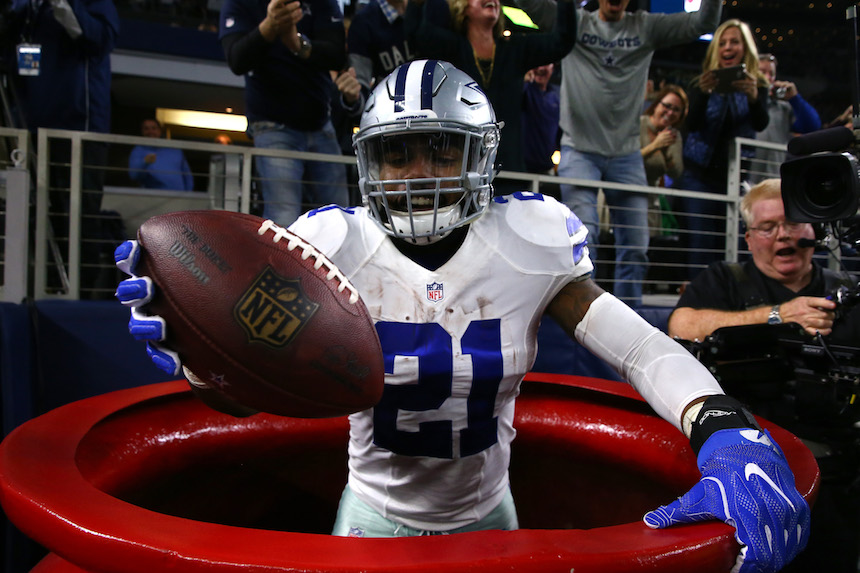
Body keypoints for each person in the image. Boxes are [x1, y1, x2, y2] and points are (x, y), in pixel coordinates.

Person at [115, 60, 809, 573]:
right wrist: (207, 360)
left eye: (443, 147)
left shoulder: (530, 241)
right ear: (368, 162)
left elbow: (637, 349)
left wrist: (722, 425)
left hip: (488, 517)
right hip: (370, 519)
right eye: (397, 151)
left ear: (482, 154)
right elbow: (254, 383)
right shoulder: (330, 244)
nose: (419, 170)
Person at [668, 179, 860, 573]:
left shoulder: (845, 291)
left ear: (813, 231)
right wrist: (778, 315)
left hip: (840, 474)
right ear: (750, 238)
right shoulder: (724, 280)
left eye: (793, 224)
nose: (783, 235)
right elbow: (682, 324)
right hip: (749, 467)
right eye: (768, 227)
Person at [511, 0, 723, 308]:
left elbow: (703, 22)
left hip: (626, 154)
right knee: (586, 239)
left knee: (636, 244)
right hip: (580, 149)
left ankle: (628, 323)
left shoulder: (647, 27)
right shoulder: (576, 21)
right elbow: (531, 7)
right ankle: (585, 318)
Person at [8, 0, 120, 298]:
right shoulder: (25, 8)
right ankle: (39, 288)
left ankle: (80, 295)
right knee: (35, 216)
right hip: (29, 130)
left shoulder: (91, 3)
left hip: (79, 130)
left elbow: (102, 39)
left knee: (79, 217)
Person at [405, 0, 577, 193]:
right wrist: (416, 4)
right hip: (461, 169)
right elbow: (415, 35)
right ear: (464, 8)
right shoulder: (453, 47)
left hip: (510, 170)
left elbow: (562, 40)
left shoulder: (514, 49)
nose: (492, 0)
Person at [219, 0, 350, 227]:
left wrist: (298, 44)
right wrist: (269, 26)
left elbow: (338, 55)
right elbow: (236, 59)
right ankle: (283, 264)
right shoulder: (239, 3)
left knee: (340, 216)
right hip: (272, 124)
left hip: (320, 122)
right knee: (284, 218)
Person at [678, 19, 770, 277]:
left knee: (732, 242)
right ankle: (698, 304)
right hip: (698, 175)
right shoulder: (700, 84)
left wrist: (753, 98)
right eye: (723, 43)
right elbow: (692, 124)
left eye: (734, 42)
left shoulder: (758, 84)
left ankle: (729, 301)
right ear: (716, 49)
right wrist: (705, 93)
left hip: (736, 177)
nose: (728, 48)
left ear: (745, 48)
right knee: (701, 242)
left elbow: (761, 122)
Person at [750, 53, 821, 182]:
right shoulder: (741, 103)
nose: (767, 77)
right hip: (744, 176)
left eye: (771, 74)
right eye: (762, 72)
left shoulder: (783, 107)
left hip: (774, 179)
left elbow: (812, 126)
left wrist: (795, 98)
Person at [347, 0, 414, 97]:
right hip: (391, 103)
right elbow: (360, 87)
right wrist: (353, 99)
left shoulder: (429, 8)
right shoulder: (363, 23)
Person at [128, 118, 195, 191]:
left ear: (160, 130)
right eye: (146, 129)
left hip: (178, 198)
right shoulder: (138, 150)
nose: (150, 131)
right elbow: (133, 175)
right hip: (154, 198)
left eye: (154, 128)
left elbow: (187, 175)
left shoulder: (175, 150)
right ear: (142, 131)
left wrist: (188, 196)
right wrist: (145, 162)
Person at [522, 63, 560, 178]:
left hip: (546, 167)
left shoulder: (557, 96)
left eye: (545, 64)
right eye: (537, 63)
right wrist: (522, 81)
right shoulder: (524, 90)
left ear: (553, 68)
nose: (540, 68)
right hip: (521, 168)